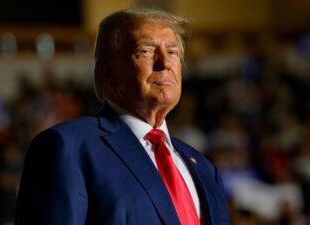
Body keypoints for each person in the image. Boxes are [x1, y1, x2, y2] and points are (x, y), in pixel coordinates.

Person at [15, 8, 230, 225]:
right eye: (146, 51)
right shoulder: (69, 148)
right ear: (109, 73)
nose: (165, 62)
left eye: (173, 52)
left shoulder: (204, 168)